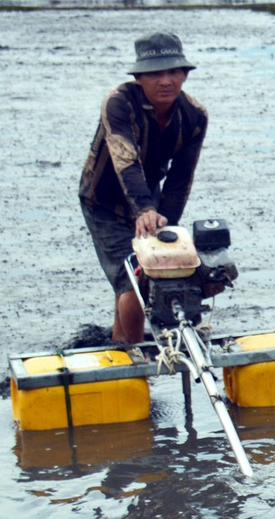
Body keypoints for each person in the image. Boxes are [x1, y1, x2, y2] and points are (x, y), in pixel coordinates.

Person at [78, 32, 208, 344]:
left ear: (184, 75)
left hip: (151, 196)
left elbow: (180, 179)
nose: (166, 81)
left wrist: (165, 226)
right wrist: (144, 210)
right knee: (135, 279)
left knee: (155, 266)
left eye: (173, 72)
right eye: (155, 74)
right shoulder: (119, 103)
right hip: (105, 200)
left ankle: (120, 341)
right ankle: (135, 361)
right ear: (139, 77)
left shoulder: (194, 116)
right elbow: (125, 160)